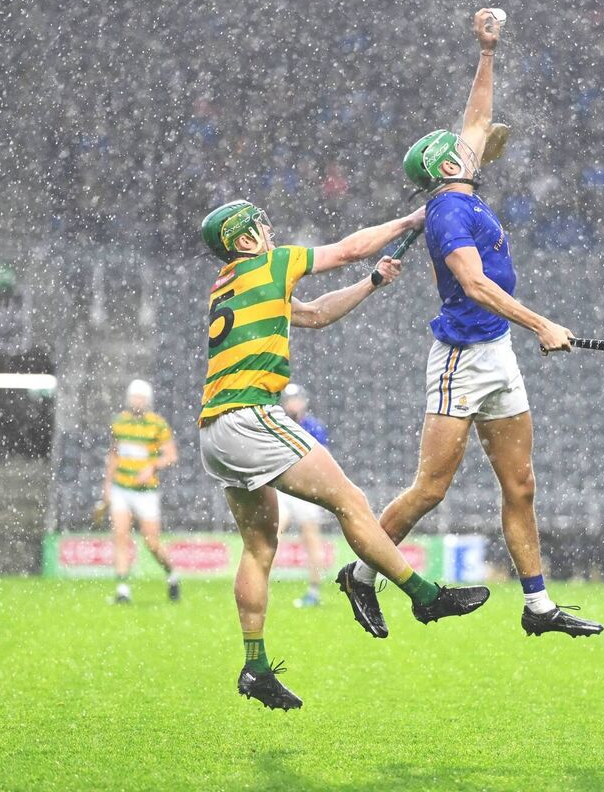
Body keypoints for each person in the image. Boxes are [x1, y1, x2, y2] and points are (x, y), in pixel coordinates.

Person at [336, 10, 603, 640]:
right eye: (457, 150)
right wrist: (542, 323)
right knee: (430, 489)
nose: (470, 146)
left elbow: (478, 119)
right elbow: (477, 286)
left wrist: (487, 50)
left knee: (521, 483)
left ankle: (539, 608)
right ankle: (361, 573)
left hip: (497, 354)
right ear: (444, 167)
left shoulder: (460, 188)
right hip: (460, 358)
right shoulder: (448, 214)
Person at [197, 199, 490, 712]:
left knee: (261, 546)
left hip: (215, 430)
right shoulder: (268, 263)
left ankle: (255, 665)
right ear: (245, 241)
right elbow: (346, 250)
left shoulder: (229, 286)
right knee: (350, 500)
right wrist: (409, 219)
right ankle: (425, 597)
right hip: (252, 415)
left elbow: (314, 314)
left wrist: (372, 282)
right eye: (261, 226)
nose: (270, 229)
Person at [102, 379, 179, 604]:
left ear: (148, 400)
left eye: (141, 397)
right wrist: (107, 485)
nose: (137, 401)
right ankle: (123, 590)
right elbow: (114, 455)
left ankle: (172, 575)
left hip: (146, 492)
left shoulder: (158, 425)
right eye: (134, 397)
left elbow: (171, 456)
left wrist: (152, 466)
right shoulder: (119, 423)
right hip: (121, 488)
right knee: (120, 536)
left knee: (151, 542)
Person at [276, 383, 331, 608]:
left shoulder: (313, 428)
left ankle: (314, 591)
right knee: (272, 532)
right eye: (289, 400)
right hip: (283, 489)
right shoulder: (278, 426)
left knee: (311, 540)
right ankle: (261, 586)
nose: (293, 404)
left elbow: (322, 461)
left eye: (296, 399)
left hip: (307, 492)